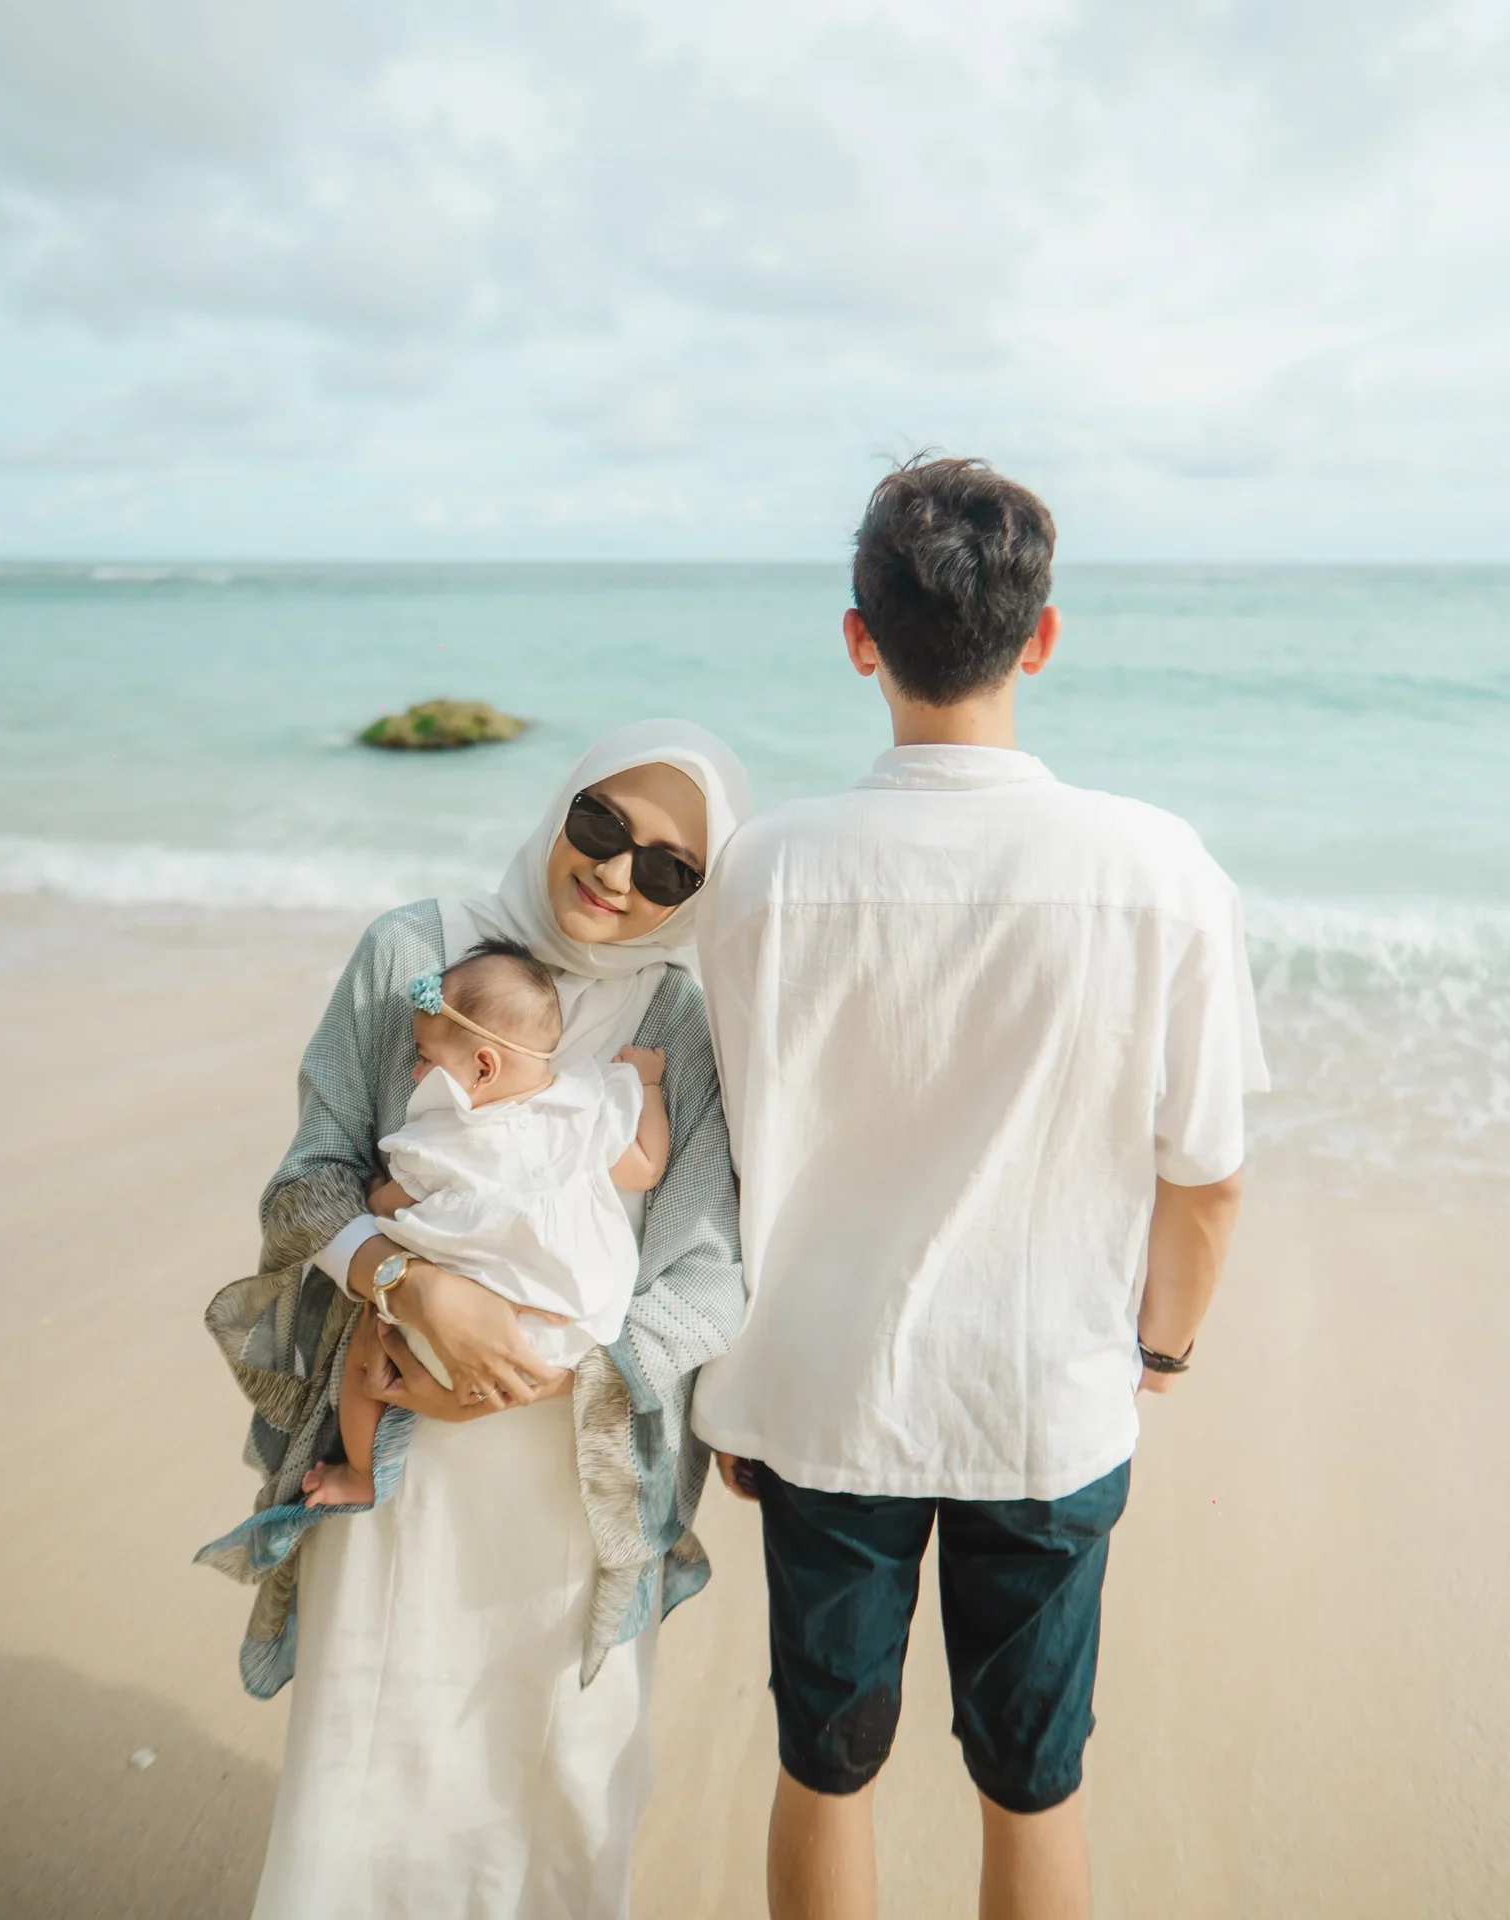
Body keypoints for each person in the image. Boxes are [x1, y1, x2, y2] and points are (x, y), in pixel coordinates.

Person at [692, 457, 1267, 1920]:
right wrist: (1159, 1349)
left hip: (822, 1387)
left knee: (826, 1767)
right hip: (1047, 1395)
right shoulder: (1159, 867)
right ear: (1045, 633)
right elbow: (1204, 1179)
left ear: (858, 635)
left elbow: (743, 1136)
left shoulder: (764, 871)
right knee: (1034, 1777)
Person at [203, 721, 750, 1920]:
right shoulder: (417, 954)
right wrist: (417, 1290)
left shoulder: (679, 1027)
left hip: (574, 1469)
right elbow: (312, 1181)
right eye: (603, 826)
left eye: (667, 869)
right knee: (376, 1756)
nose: (616, 874)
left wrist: (544, 1370)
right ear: (563, 804)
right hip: (398, 1452)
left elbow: (707, 1271)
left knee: (558, 1776)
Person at [301, 939, 671, 1508]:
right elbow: (646, 1168)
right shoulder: (583, 1110)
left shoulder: (447, 1139)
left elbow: (387, 1204)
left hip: (442, 1332)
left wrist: (377, 1190)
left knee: (362, 1348)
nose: (416, 1068)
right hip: (564, 1336)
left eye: (424, 1055)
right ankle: (436, 1407)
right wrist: (645, 1086)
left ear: (482, 1068)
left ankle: (359, 1471)